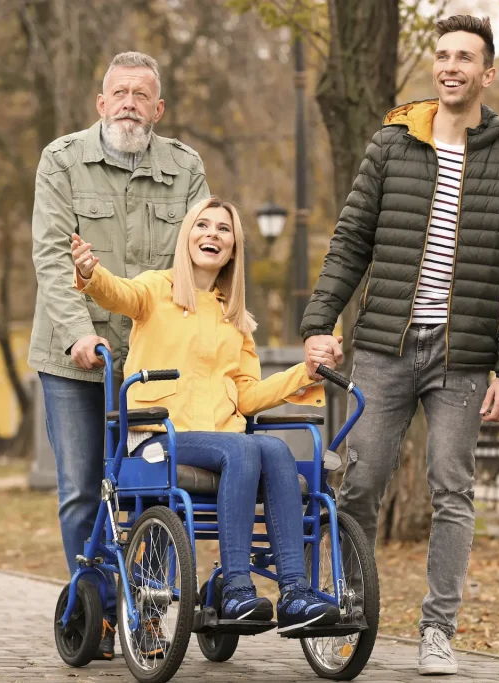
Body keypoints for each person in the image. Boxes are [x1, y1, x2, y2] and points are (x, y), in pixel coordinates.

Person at [300, 15, 499, 676]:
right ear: (434, 67)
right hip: (384, 345)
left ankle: (438, 629)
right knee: (361, 481)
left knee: (451, 488)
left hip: (462, 357)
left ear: (487, 73)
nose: (452, 66)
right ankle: (347, 602)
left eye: (466, 57)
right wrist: (320, 320)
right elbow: (351, 239)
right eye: (443, 55)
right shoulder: (391, 145)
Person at [71, 196, 344, 634]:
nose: (212, 234)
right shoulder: (155, 290)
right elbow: (116, 293)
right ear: (187, 237)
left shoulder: (235, 319)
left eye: (223, 229)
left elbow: (248, 396)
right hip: (159, 439)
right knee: (243, 448)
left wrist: (304, 372)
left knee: (273, 448)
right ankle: (237, 587)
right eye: (203, 225)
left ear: (233, 248)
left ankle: (294, 593)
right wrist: (88, 273)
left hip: (220, 442)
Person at [28, 51, 210, 659]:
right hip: (75, 358)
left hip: (155, 365)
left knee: (155, 487)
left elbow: (203, 259)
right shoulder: (61, 160)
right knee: (84, 488)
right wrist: (81, 332)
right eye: (119, 93)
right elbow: (53, 258)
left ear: (158, 109)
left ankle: (151, 607)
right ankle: (102, 610)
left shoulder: (185, 169)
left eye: (142, 94)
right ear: (101, 103)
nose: (129, 103)